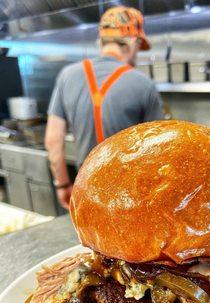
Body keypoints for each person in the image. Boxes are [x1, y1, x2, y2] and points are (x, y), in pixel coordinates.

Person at [45, 6, 164, 210]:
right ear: (132, 43)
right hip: (130, 198)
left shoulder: (68, 76)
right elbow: (160, 150)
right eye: (139, 47)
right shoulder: (142, 83)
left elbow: (53, 140)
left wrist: (63, 185)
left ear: (102, 41)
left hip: (86, 192)